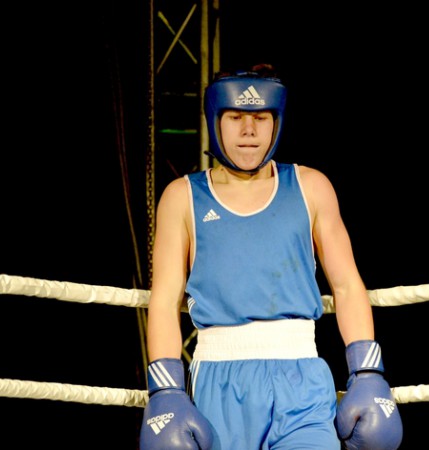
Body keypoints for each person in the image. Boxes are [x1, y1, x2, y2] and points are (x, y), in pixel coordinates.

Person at [139, 63, 403, 449]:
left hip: (303, 381)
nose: (249, 130)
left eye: (261, 118)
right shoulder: (182, 198)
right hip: (219, 382)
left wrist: (367, 372)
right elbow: (164, 301)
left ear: (276, 121)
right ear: (215, 120)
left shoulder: (311, 187)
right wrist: (166, 391)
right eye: (236, 118)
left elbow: (347, 285)